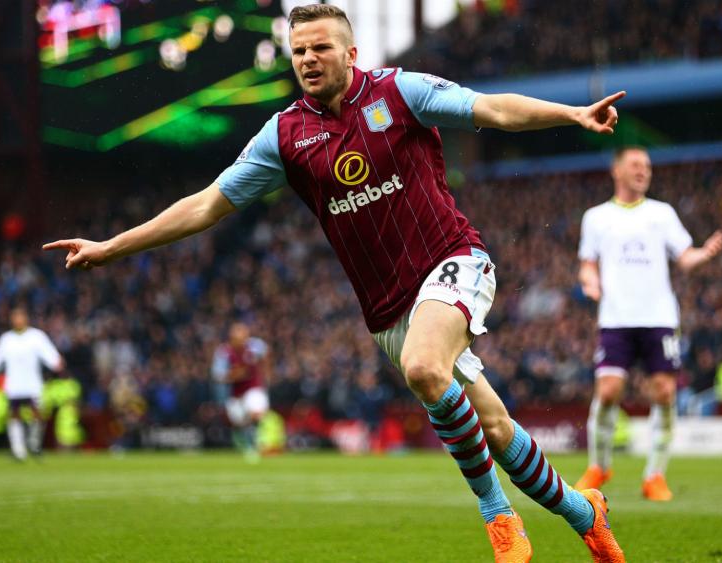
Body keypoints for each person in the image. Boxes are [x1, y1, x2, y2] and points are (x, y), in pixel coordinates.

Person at [45, 5, 625, 561]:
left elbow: (491, 108)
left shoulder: (401, 92)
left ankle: (498, 517)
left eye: (320, 47)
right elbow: (204, 207)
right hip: (386, 310)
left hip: (453, 259)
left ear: (352, 52)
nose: (307, 58)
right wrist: (111, 246)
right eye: (298, 51)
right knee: (495, 428)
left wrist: (571, 114)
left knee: (427, 370)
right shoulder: (284, 136)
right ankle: (583, 514)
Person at [574, 146, 722, 501]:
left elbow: (684, 258)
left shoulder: (662, 214)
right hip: (616, 318)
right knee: (608, 391)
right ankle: (599, 465)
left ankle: (654, 475)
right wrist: (589, 281)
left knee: (665, 391)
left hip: (658, 317)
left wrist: (703, 254)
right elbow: (587, 262)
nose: (644, 171)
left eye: (647, 166)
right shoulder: (596, 217)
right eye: (636, 165)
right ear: (617, 170)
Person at [0, 307, 65, 461]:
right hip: (14, 386)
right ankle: (18, 449)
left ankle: (34, 444)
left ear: (26, 318)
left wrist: (56, 361)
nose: (18, 320)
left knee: (36, 414)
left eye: (21, 317)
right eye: (15, 317)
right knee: (14, 416)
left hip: (32, 385)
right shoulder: (6, 339)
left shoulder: (36, 336)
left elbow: (50, 354)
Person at [211, 322, 271, 461]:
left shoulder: (255, 346)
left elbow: (267, 353)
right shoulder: (223, 352)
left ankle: (261, 441)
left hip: (254, 388)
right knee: (239, 422)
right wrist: (232, 375)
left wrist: (266, 374)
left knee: (256, 411)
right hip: (236, 393)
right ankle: (249, 446)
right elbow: (217, 375)